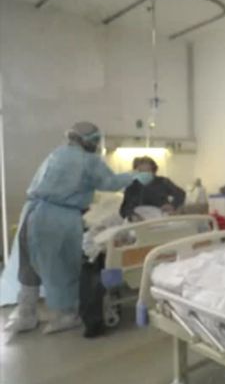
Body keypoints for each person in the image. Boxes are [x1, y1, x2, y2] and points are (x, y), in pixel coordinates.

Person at [3, 122, 153, 334]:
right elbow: (110, 182)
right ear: (89, 141)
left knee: (28, 265)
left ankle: (26, 313)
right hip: (58, 219)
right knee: (62, 267)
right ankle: (66, 315)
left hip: (33, 214)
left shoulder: (57, 154)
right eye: (96, 140)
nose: (97, 144)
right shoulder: (88, 161)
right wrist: (133, 176)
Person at [119, 156, 185, 219]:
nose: (144, 174)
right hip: (139, 220)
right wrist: (132, 216)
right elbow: (124, 209)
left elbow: (180, 193)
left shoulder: (163, 182)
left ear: (154, 171)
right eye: (141, 172)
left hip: (160, 217)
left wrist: (172, 205)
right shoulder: (131, 186)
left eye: (147, 171)